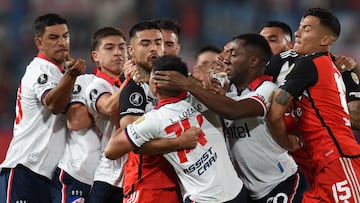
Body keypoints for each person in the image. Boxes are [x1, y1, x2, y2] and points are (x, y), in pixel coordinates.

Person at [152, 33, 308, 202]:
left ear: (253, 61)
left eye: (233, 55)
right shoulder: (226, 88)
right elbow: (201, 77)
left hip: (280, 182)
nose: (226, 59)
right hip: (248, 192)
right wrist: (196, 75)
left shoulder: (267, 88)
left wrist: (189, 84)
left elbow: (234, 110)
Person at [105, 55, 247, 203]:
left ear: (153, 85)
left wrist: (176, 143)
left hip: (203, 199)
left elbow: (110, 151)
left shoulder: (153, 120)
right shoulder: (208, 97)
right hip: (237, 192)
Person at [266, 8, 360, 203]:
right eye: (299, 28)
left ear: (325, 40)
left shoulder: (310, 64)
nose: (298, 33)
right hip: (320, 167)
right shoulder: (326, 66)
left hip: (338, 160)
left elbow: (275, 112)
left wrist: (284, 141)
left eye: (306, 29)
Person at [0, 13, 85, 203]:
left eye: (66, 36)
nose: (62, 42)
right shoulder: (40, 69)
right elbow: (53, 105)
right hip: (25, 169)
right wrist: (72, 76)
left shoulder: (62, 74)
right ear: (39, 43)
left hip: (48, 174)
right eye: (54, 37)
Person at [118, 21, 185, 203]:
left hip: (176, 180)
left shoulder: (172, 86)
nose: (153, 49)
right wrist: (179, 143)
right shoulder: (134, 90)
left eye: (158, 42)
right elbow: (131, 139)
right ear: (131, 50)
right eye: (145, 44)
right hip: (148, 183)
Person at [85, 26, 128, 203]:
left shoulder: (132, 84)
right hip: (109, 177)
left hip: (133, 175)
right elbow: (109, 107)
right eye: (109, 48)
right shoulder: (96, 86)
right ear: (95, 56)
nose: (117, 53)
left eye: (122, 47)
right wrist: (131, 79)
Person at [50, 74, 101, 203]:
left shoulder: (132, 87)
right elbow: (76, 121)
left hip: (111, 178)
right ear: (96, 56)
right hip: (78, 174)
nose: (117, 53)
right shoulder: (86, 81)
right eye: (109, 51)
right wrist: (104, 109)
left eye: (123, 51)